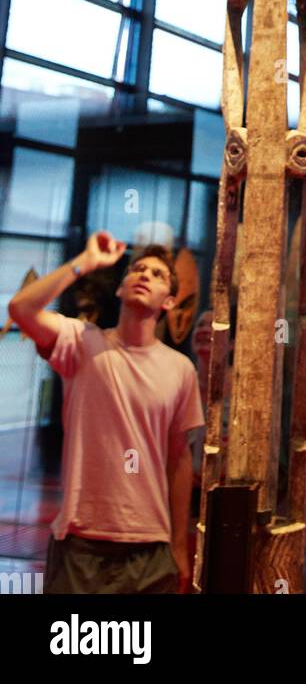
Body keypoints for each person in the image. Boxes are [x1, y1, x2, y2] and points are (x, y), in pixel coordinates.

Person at [9, 229, 204, 595]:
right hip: (80, 543)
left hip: (149, 546)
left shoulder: (181, 370)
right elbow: (21, 308)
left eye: (157, 275)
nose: (144, 275)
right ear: (120, 289)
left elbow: (179, 460)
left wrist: (179, 544)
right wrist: (87, 262)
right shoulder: (82, 341)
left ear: (170, 301)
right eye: (138, 269)